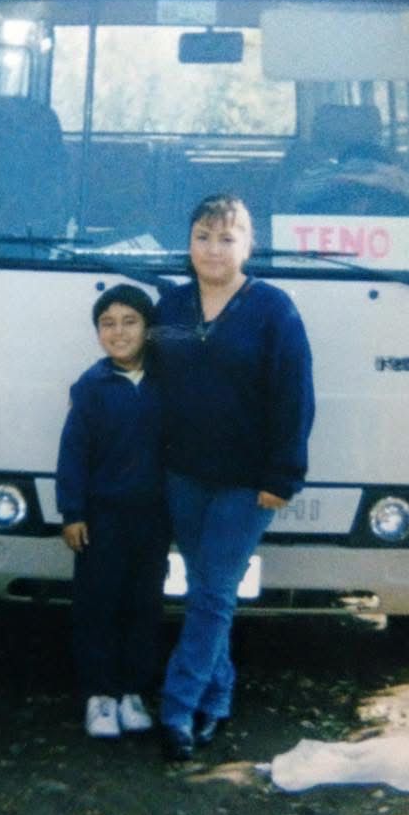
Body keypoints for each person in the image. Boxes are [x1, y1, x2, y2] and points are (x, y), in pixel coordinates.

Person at [153, 194, 315, 761]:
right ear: (188, 243)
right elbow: (157, 386)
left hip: (247, 483)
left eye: (227, 238)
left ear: (249, 245)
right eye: (203, 236)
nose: (213, 249)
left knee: (214, 591)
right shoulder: (172, 307)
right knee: (206, 590)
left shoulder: (273, 309)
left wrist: (283, 474)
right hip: (183, 475)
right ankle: (218, 697)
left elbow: (295, 397)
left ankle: (176, 708)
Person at [56, 284, 170, 739]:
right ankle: (99, 696)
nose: (118, 332)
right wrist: (72, 512)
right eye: (107, 324)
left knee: (144, 605)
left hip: (153, 518)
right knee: (98, 605)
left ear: (148, 329)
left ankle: (132, 692)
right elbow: (73, 454)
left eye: (129, 322)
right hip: (103, 520)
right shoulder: (91, 387)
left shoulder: (167, 382)